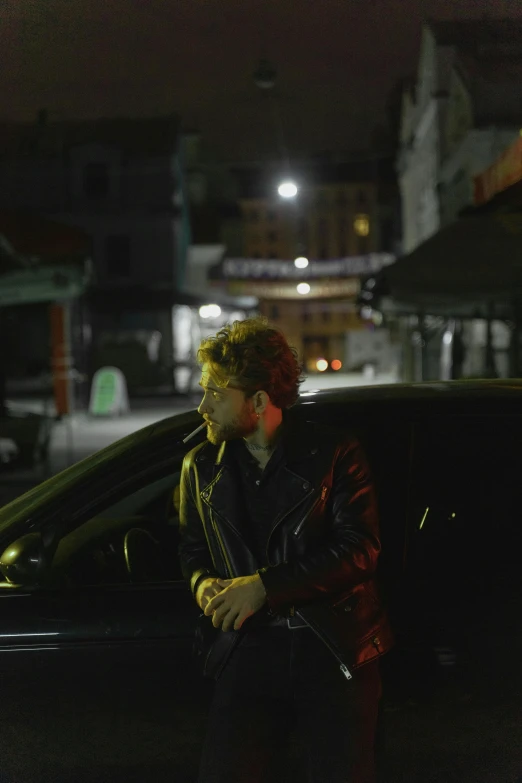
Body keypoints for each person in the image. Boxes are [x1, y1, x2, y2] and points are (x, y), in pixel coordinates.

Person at [179, 317, 393, 783]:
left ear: (258, 401)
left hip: (332, 643)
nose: (202, 406)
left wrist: (263, 588)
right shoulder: (202, 467)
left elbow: (360, 550)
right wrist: (203, 586)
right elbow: (192, 549)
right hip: (246, 645)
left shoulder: (334, 452)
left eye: (216, 392)